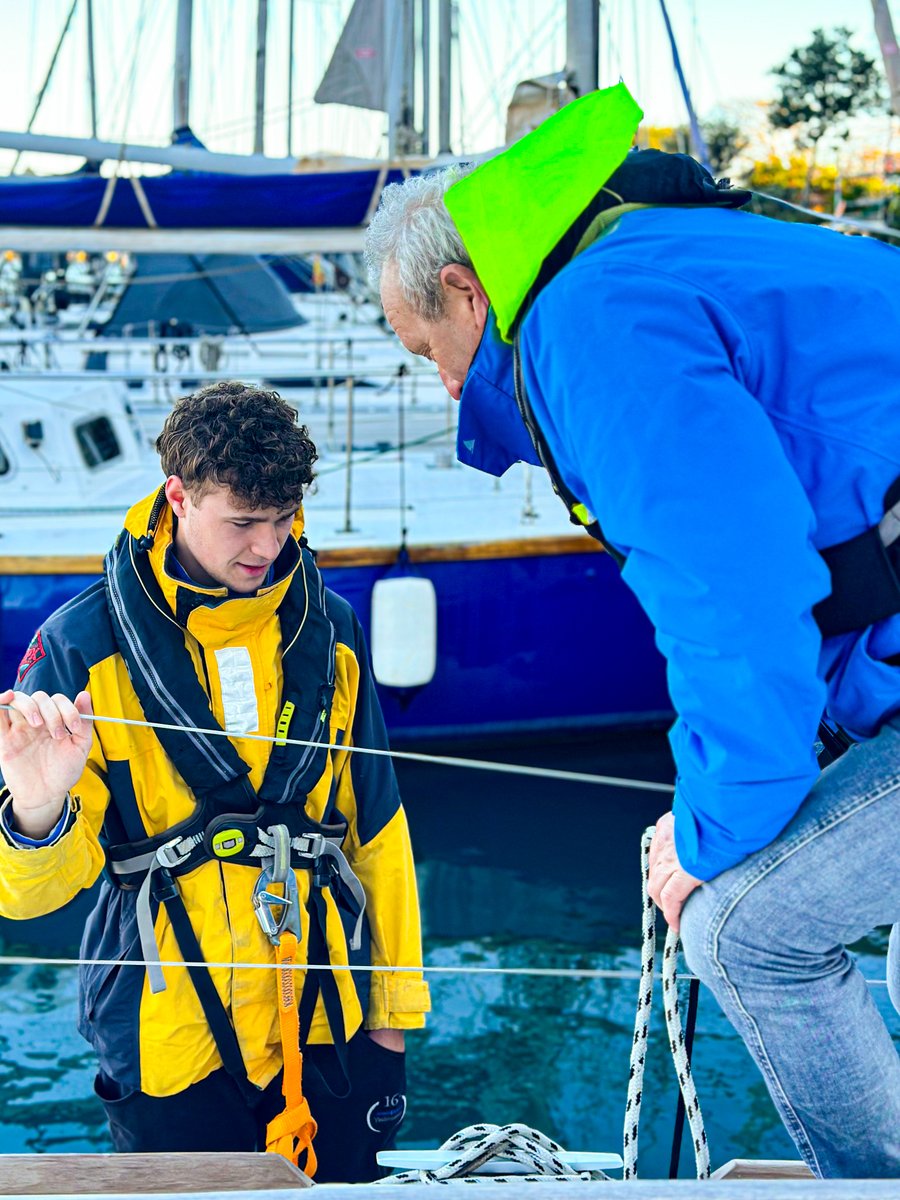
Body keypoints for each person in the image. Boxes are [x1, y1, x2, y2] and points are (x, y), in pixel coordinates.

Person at [364, 82, 900, 1178]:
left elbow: (735, 597)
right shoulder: (661, 253)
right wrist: (720, 800)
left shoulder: (587, 323)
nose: (446, 383)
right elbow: (839, 547)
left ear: (468, 295)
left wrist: (707, 839)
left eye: (428, 351)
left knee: (744, 932)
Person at [0, 382, 429, 1182]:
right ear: (178, 496)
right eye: (242, 521)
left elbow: (377, 829)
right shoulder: (80, 646)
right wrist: (36, 801)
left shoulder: (329, 627)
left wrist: (393, 1019)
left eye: (283, 519)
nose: (267, 545)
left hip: (326, 1023)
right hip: (167, 1043)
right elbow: (27, 897)